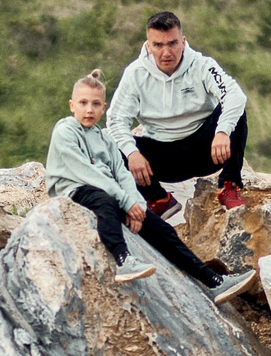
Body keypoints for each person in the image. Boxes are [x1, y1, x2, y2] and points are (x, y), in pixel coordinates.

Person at [45, 69, 255, 301]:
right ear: (72, 105)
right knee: (104, 201)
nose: (89, 109)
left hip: (108, 191)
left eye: (95, 104)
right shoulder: (65, 131)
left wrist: (135, 203)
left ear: (103, 108)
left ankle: (212, 281)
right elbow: (88, 173)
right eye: (83, 103)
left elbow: (121, 173)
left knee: (160, 228)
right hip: (75, 190)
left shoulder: (104, 138)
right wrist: (125, 201)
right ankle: (122, 259)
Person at [108, 11, 252, 219]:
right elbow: (116, 119)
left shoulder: (203, 65)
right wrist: (132, 153)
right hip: (161, 157)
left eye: (172, 43)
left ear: (183, 42)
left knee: (235, 111)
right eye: (158, 45)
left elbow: (235, 95)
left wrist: (222, 131)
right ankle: (158, 200)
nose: (166, 52)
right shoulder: (135, 74)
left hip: (205, 150)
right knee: (106, 141)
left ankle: (229, 187)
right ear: (148, 46)